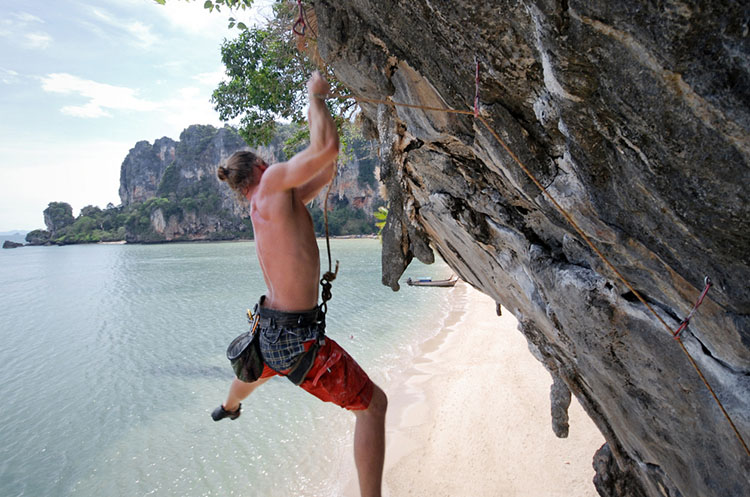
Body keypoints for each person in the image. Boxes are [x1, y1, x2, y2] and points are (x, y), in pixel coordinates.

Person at [213, 71, 388, 497]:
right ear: (260, 166)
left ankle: (229, 405)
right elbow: (325, 149)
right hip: (294, 337)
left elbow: (326, 169)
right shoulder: (273, 183)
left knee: (257, 371)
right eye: (269, 163)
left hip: (270, 328)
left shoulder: (268, 203)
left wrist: (321, 110)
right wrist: (315, 95)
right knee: (373, 408)